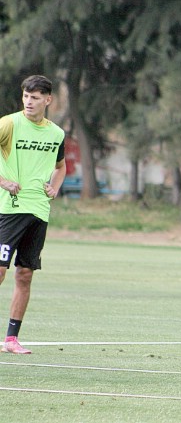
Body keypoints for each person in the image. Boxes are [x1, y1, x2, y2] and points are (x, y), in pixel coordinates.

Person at [0, 75, 66, 355]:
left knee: (24, 274)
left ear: (48, 100)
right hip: (9, 209)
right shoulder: (9, 124)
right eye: (26, 96)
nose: (29, 101)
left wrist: (55, 187)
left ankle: (11, 339)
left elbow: (60, 166)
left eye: (36, 97)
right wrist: (3, 181)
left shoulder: (56, 134)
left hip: (39, 210)